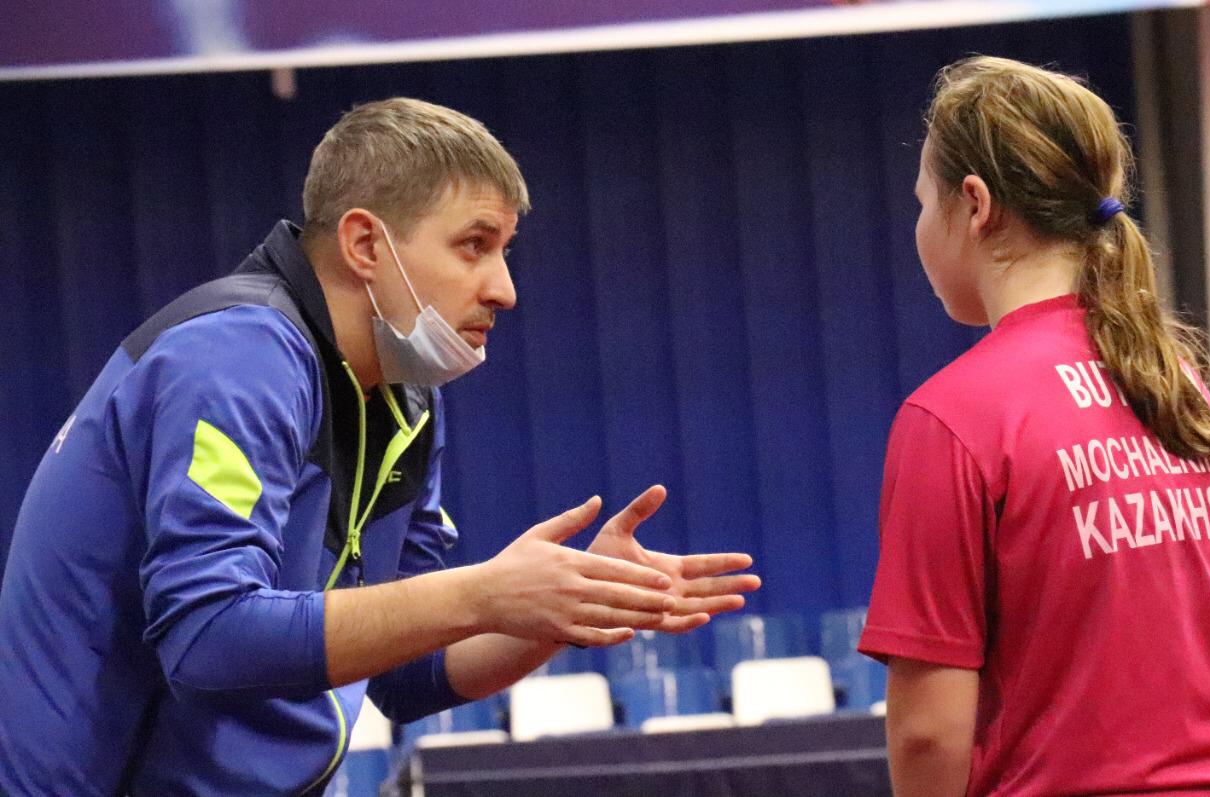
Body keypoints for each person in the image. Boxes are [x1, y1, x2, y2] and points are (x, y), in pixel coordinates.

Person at [0, 98, 760, 795]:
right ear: (365, 243)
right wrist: (480, 593)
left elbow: (407, 672)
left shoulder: (406, 399)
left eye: (504, 250)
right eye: (474, 245)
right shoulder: (238, 357)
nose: (504, 288)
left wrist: (568, 606)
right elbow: (207, 635)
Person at [857, 56, 1210, 796]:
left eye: (923, 202)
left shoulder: (953, 417)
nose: (919, 227)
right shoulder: (1185, 394)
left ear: (975, 203)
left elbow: (929, 735)